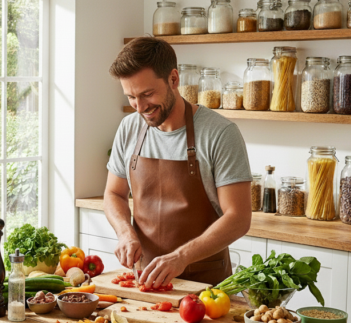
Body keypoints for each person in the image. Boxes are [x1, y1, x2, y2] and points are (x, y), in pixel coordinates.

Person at [104, 37, 252, 289]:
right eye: (131, 97)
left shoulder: (220, 133)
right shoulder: (129, 128)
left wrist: (181, 257)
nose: (140, 107)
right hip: (145, 280)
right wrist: (125, 233)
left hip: (205, 286)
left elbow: (238, 217)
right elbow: (114, 193)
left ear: (174, 79)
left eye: (147, 94)